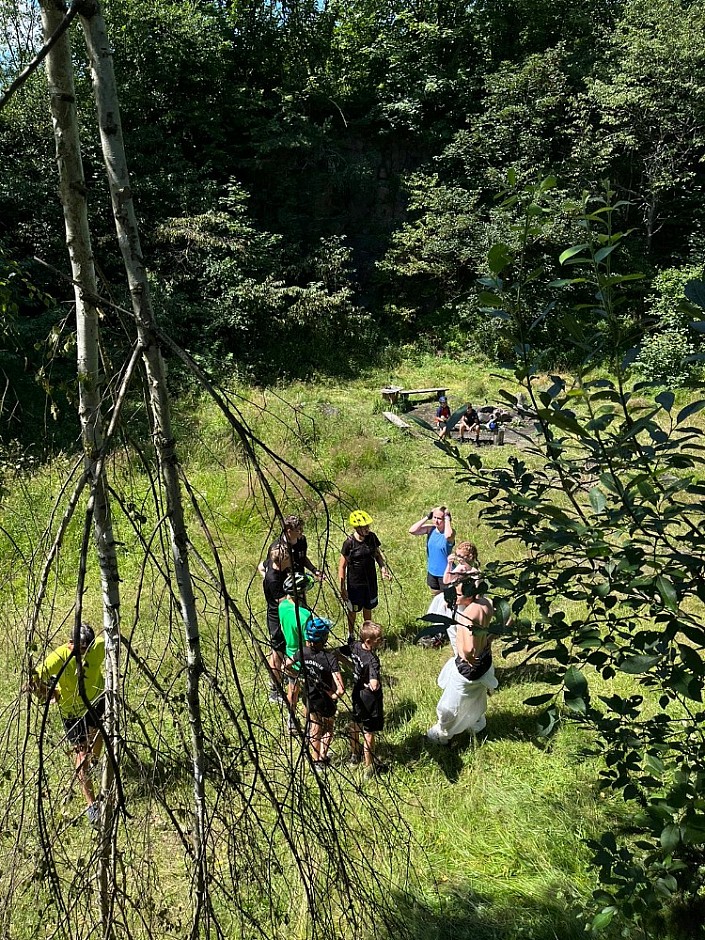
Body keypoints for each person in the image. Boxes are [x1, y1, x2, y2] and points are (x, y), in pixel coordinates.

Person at [28, 623, 105, 825]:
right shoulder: (60, 657)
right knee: (81, 756)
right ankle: (92, 805)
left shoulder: (98, 647)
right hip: (72, 711)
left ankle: (96, 761)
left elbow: (115, 640)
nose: (84, 654)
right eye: (80, 650)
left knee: (98, 736)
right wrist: (46, 692)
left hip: (96, 700)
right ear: (70, 644)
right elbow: (32, 679)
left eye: (87, 649)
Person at [427, 574, 498, 745]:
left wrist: (465, 655)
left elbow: (468, 648)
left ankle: (444, 735)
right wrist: (489, 639)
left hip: (468, 667)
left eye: (458, 594)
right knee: (475, 693)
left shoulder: (466, 616)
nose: (454, 597)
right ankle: (476, 722)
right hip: (485, 660)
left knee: (451, 704)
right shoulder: (486, 603)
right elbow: (507, 620)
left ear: (468, 596)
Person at [288, 617, 344, 773]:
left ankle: (314, 758)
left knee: (314, 727)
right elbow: (340, 689)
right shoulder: (329, 658)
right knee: (328, 729)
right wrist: (333, 696)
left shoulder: (302, 652)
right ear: (324, 638)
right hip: (325, 700)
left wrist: (299, 675)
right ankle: (322, 757)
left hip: (309, 696)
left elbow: (285, 665)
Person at [339, 510, 391, 632]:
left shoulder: (372, 537)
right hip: (355, 585)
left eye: (368, 526)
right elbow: (342, 566)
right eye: (364, 527)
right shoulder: (349, 543)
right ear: (357, 528)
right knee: (353, 610)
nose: (367, 529)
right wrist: (342, 588)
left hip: (370, 582)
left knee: (368, 609)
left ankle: (367, 636)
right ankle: (350, 635)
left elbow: (377, 555)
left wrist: (383, 568)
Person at [348, 621, 387, 776]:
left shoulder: (355, 646)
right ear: (369, 642)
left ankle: (354, 755)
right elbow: (374, 683)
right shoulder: (372, 660)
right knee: (369, 732)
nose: (382, 641)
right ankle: (368, 766)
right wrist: (375, 684)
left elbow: (338, 652)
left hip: (356, 692)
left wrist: (352, 669)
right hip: (369, 698)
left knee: (355, 723)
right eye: (379, 639)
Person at [279, 571, 316, 725]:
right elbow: (309, 642)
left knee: (292, 687)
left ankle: (291, 718)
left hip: (289, 652)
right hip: (303, 656)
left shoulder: (282, 606)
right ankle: (310, 722)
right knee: (309, 692)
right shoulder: (305, 614)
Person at [262, 542, 293, 702]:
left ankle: (282, 677)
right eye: (288, 558)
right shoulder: (273, 579)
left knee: (281, 651)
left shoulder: (270, 563)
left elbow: (260, 566)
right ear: (281, 562)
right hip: (277, 618)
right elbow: (284, 603)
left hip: (281, 614)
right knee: (277, 653)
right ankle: (275, 689)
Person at [259, 514, 322, 582]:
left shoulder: (302, 540)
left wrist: (314, 571)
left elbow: (302, 558)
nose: (301, 532)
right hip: (284, 583)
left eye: (302, 528)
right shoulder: (277, 548)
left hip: (299, 579)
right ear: (289, 531)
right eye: (298, 530)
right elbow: (270, 568)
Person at [408, 506, 456, 595]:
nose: (436, 521)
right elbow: (412, 530)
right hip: (432, 572)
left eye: (439, 518)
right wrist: (427, 517)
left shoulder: (450, 532)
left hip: (446, 573)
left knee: (448, 600)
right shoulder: (431, 529)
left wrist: (447, 519)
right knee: (436, 598)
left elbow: (448, 536)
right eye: (434, 517)